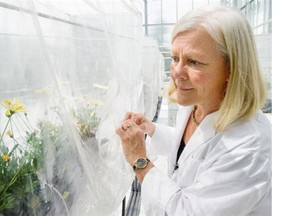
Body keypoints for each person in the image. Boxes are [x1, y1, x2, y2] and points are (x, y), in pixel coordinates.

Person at [115, 5, 271, 216]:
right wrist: (151, 129)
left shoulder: (249, 148)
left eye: (194, 62)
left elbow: (187, 211)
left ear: (232, 68)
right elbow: (191, 151)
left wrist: (139, 161)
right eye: (175, 58)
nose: (176, 73)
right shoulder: (196, 105)